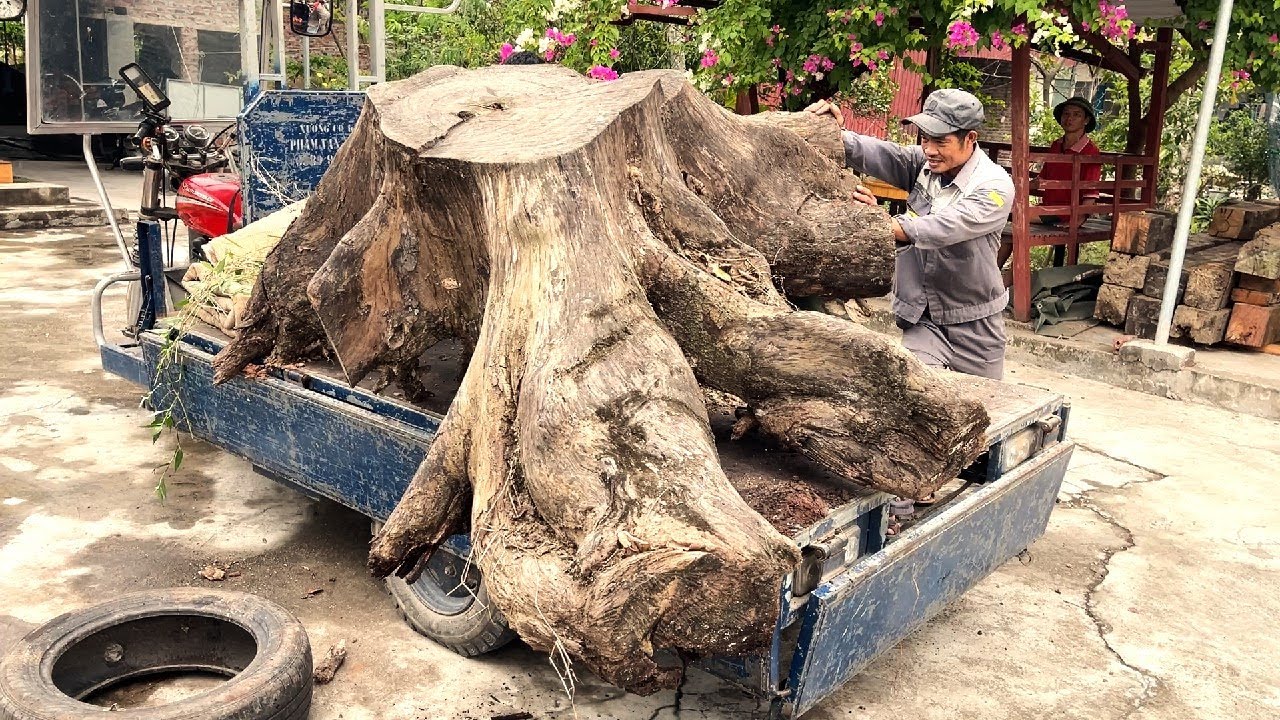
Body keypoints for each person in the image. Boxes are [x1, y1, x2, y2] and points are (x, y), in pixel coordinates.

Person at [807, 89, 1013, 380]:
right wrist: (831, 131)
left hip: (976, 322)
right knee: (917, 395)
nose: (929, 149)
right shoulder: (925, 164)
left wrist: (878, 222)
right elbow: (877, 152)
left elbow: (943, 227)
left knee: (988, 408)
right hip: (922, 319)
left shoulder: (994, 186)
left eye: (940, 141)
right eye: (925, 138)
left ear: (970, 139)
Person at [1035, 97, 1102, 224]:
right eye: (1066, 114)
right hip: (1046, 208)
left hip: (1066, 213)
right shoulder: (1056, 145)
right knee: (1004, 210)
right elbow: (1042, 178)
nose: (1069, 118)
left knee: (1016, 216)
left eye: (1076, 115)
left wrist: (1077, 221)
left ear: (1086, 120)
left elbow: (1090, 192)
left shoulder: (1090, 151)